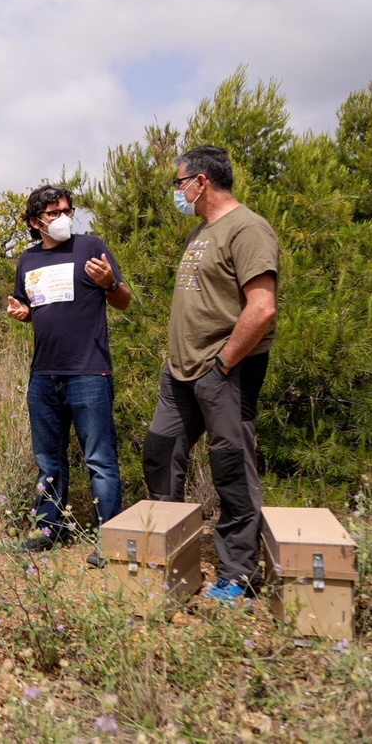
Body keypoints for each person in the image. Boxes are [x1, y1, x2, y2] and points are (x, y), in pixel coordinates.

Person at [142, 145, 278, 603]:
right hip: (180, 371)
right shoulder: (203, 231)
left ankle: (239, 572)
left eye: (180, 183)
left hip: (225, 371)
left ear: (201, 182)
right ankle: (168, 553)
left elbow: (262, 309)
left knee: (231, 468)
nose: (177, 192)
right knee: (161, 451)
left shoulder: (248, 228)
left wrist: (221, 366)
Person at [6, 186, 131, 564]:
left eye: (67, 210)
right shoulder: (27, 261)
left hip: (89, 371)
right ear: (35, 221)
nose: (63, 217)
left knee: (100, 460)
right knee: (49, 460)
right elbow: (28, 307)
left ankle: (110, 540)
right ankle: (50, 530)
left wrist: (110, 281)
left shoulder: (92, 246)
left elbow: (123, 299)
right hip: (43, 374)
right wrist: (22, 313)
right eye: (54, 212)